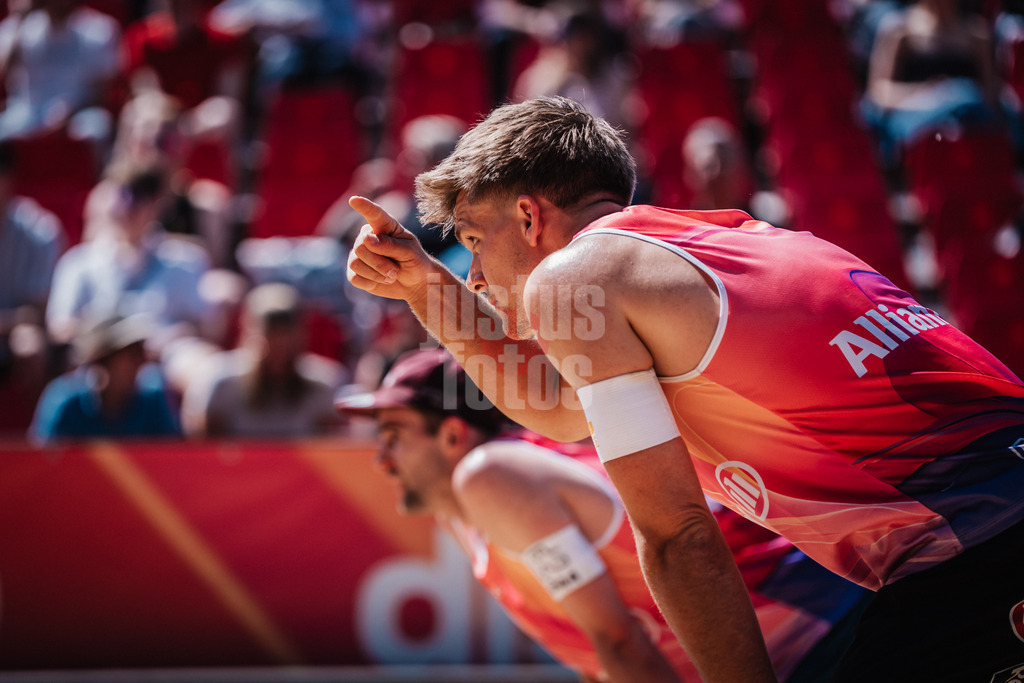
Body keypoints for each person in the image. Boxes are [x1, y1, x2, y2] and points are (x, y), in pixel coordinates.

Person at [345, 96, 1024, 682]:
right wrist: (426, 286)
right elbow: (559, 408)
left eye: (473, 242)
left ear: (529, 218)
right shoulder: (730, 241)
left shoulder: (572, 276)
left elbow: (679, 539)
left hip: (979, 543)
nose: (475, 277)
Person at [336, 347, 870, 682]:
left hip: (824, 638)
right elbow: (603, 657)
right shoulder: (468, 508)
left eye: (393, 436)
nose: (380, 459)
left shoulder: (489, 475)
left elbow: (620, 641)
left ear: (453, 435)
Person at [181, 282, 345, 437]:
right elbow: (205, 448)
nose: (279, 352)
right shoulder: (220, 384)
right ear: (249, 333)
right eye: (270, 340)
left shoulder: (323, 387)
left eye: (286, 340)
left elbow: (328, 448)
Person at [30, 312, 181, 442]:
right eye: (134, 354)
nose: (142, 361)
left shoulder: (153, 399)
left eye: (142, 352)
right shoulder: (64, 402)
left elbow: (170, 457)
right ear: (103, 360)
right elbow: (44, 461)